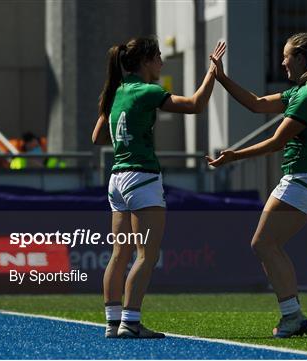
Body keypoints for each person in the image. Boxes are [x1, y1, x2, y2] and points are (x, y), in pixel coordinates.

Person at [92, 36, 225, 338]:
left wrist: (126, 131)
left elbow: (98, 137)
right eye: (158, 57)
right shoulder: (148, 90)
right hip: (141, 178)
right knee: (146, 255)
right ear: (146, 61)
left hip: (116, 179)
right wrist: (212, 72)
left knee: (119, 254)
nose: (162, 62)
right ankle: (131, 321)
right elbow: (195, 105)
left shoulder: (116, 92)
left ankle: (114, 322)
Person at [206, 33, 307, 338]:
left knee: (264, 244)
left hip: (305, 177)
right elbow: (256, 103)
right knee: (266, 245)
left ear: (302, 59)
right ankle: (292, 314)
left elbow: (277, 142)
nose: (283, 61)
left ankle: (293, 315)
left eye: (287, 56)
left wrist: (234, 155)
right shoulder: (300, 92)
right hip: (301, 177)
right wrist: (221, 77)